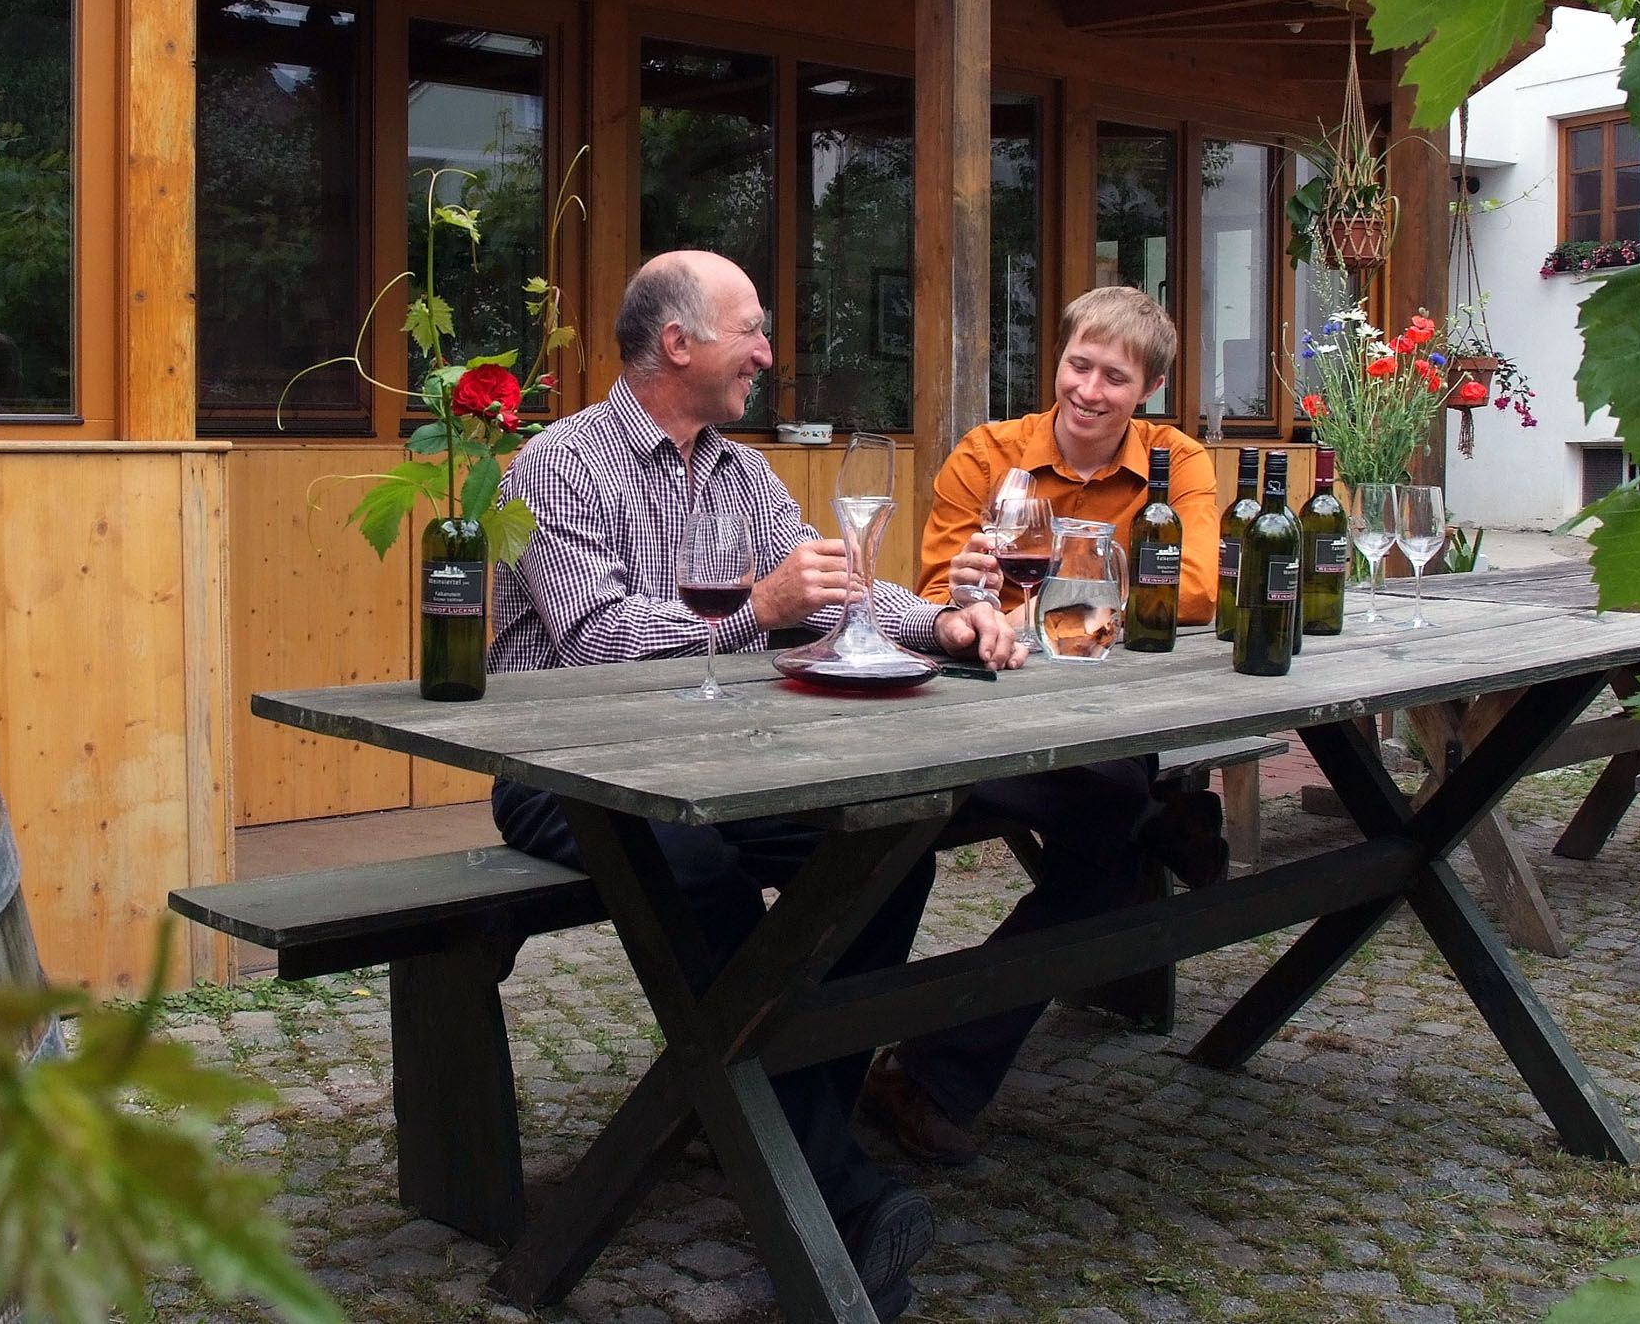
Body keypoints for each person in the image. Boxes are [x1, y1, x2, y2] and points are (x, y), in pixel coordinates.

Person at [488, 250, 1020, 1321]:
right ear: (675, 342)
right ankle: (835, 1186)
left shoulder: (740, 470)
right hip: (573, 770)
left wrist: (949, 625)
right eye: (752, 329)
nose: (768, 354)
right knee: (691, 861)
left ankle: (769, 1118)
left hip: (721, 758)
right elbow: (596, 643)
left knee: (884, 841)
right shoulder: (553, 465)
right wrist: (755, 608)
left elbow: (837, 594)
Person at [860, 284, 1224, 1167]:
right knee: (1107, 833)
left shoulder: (1178, 464)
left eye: (1115, 376)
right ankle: (1175, 821)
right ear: (1056, 362)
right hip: (982, 712)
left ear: (1148, 391)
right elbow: (937, 593)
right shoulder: (989, 454)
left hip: (1109, 719)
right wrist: (991, 594)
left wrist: (1054, 604)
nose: (1089, 390)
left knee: (1108, 819)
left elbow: (1203, 591)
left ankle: (930, 1071)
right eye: (1078, 364)